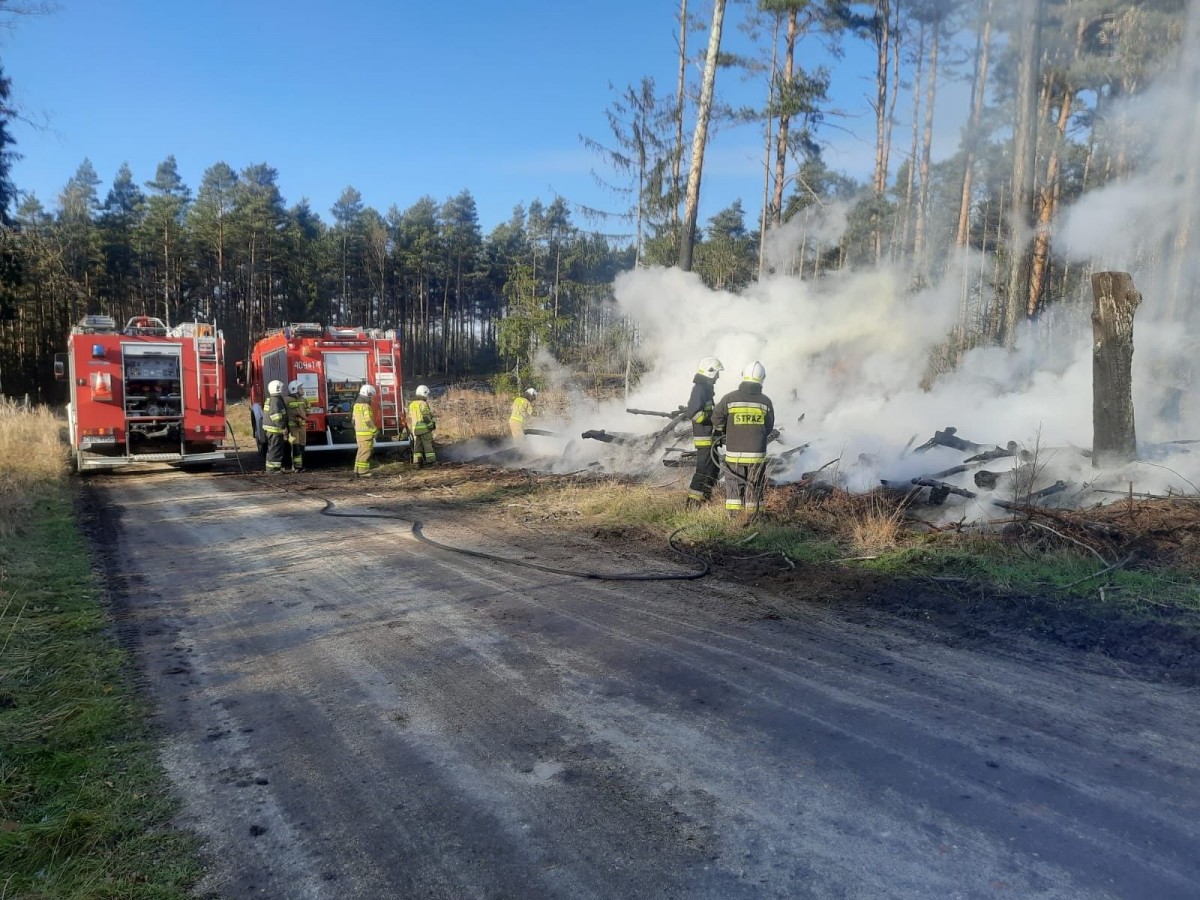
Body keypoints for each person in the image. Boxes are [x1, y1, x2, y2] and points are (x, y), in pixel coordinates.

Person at [711, 361, 774, 520]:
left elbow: (716, 418)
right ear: (762, 379)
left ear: (743, 377)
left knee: (733, 486)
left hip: (735, 454)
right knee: (755, 486)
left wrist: (726, 431)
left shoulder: (729, 398)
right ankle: (753, 518)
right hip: (757, 456)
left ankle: (734, 518)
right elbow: (769, 427)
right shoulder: (765, 402)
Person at [684, 356, 724, 507]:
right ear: (710, 372)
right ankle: (693, 503)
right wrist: (712, 417)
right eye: (717, 373)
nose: (718, 376)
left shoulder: (706, 389)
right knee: (703, 470)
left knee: (713, 468)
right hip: (704, 438)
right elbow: (693, 413)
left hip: (710, 437)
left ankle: (706, 498)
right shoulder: (699, 389)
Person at [263, 379, 288, 474]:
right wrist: (282, 427)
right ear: (277, 388)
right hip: (275, 430)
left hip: (272, 430)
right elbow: (276, 416)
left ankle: (273, 469)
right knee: (275, 450)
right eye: (281, 387)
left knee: (274, 449)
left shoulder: (273, 398)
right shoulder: (275, 400)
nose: (282, 389)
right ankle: (272, 470)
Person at [408, 384, 437, 466]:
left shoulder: (412, 404)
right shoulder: (423, 404)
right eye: (426, 394)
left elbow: (410, 417)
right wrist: (431, 425)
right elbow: (426, 416)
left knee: (417, 446)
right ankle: (431, 461)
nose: (427, 396)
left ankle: (417, 462)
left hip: (416, 430)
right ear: (423, 393)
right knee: (427, 445)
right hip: (425, 428)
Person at [352, 384, 378, 477]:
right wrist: (375, 430)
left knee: (361, 451)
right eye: (371, 396)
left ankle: (357, 470)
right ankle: (363, 471)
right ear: (368, 394)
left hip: (359, 433)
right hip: (366, 434)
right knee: (366, 452)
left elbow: (353, 421)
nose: (372, 398)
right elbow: (368, 420)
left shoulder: (356, 405)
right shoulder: (366, 406)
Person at [285, 378, 309, 472]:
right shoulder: (286, 400)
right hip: (292, 428)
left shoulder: (303, 400)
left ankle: (300, 465)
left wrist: (302, 416)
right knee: (295, 447)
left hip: (302, 427)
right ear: (294, 389)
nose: (302, 390)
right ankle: (296, 467)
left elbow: (308, 410)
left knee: (302, 446)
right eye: (300, 388)